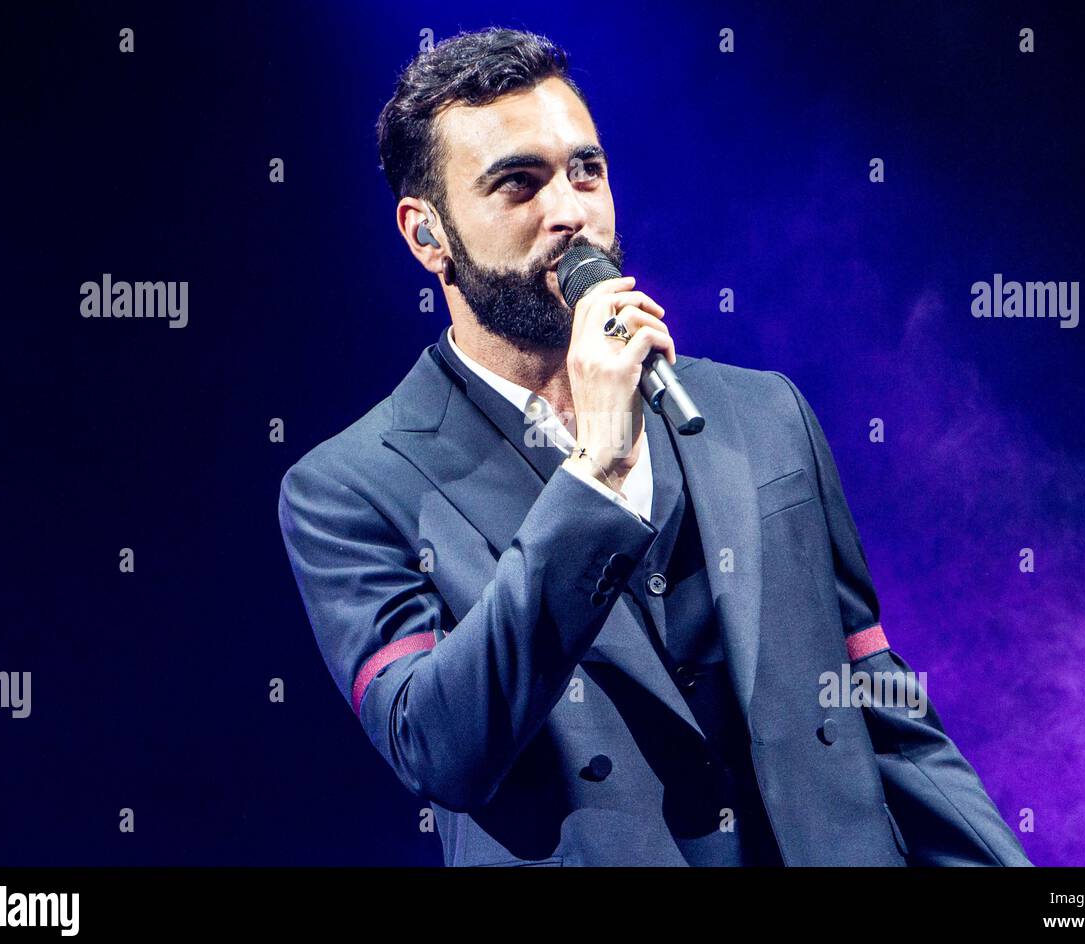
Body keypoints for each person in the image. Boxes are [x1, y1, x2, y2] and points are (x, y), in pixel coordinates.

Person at [277, 26, 1032, 867]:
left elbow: (880, 699)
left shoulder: (761, 409)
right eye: (519, 184)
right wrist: (594, 474)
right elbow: (442, 747)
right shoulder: (349, 486)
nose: (571, 212)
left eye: (585, 171)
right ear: (428, 236)